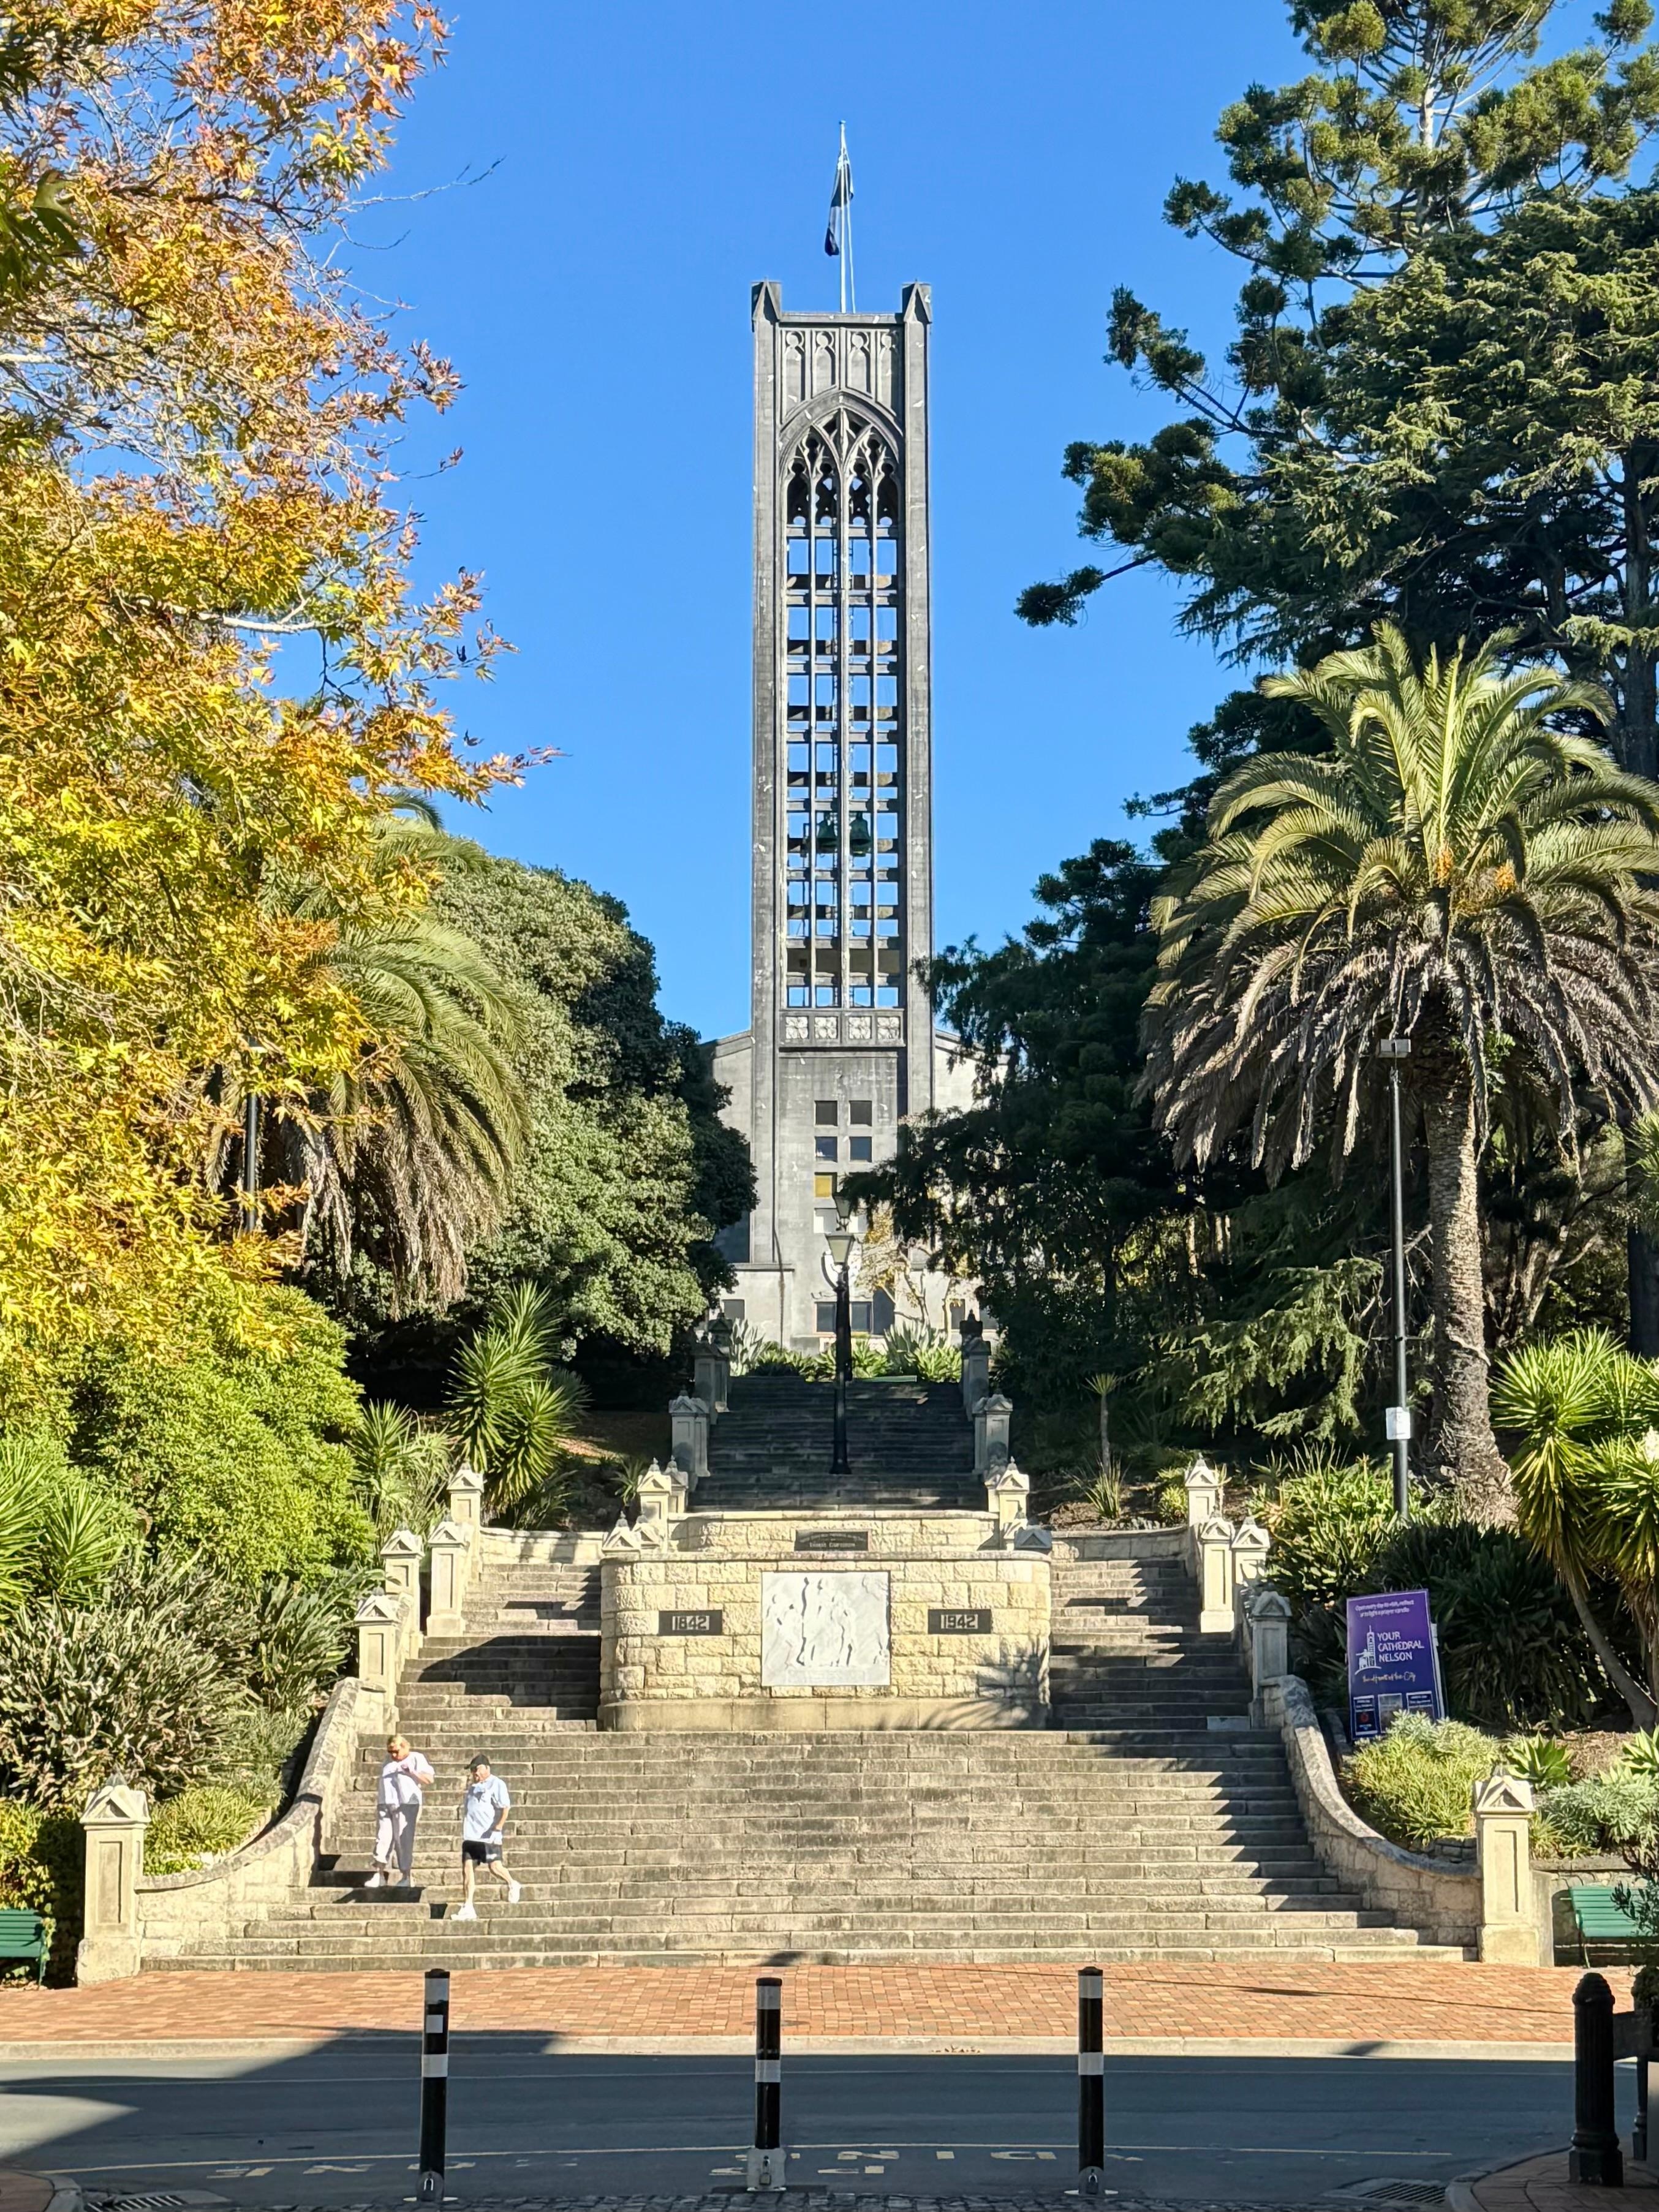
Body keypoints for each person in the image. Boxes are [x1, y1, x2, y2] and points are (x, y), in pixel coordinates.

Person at [452, 1754, 521, 1920]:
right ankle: (468, 1905)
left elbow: (505, 1807)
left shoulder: (496, 1784)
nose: (474, 1772)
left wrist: (498, 1827)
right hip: (471, 1836)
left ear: (487, 1768)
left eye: (477, 1769)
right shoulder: (473, 1787)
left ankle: (513, 1883)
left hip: (488, 1835)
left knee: (495, 1867)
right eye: (472, 1770)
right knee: (467, 1870)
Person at [367, 1733, 433, 1889]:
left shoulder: (416, 1758)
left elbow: (429, 1780)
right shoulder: (388, 1761)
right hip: (386, 1803)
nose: (394, 1755)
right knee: (382, 1837)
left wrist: (412, 1772)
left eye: (396, 1751)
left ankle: (407, 1876)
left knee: (403, 1841)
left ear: (405, 1747)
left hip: (406, 1805)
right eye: (390, 1752)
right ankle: (379, 1873)